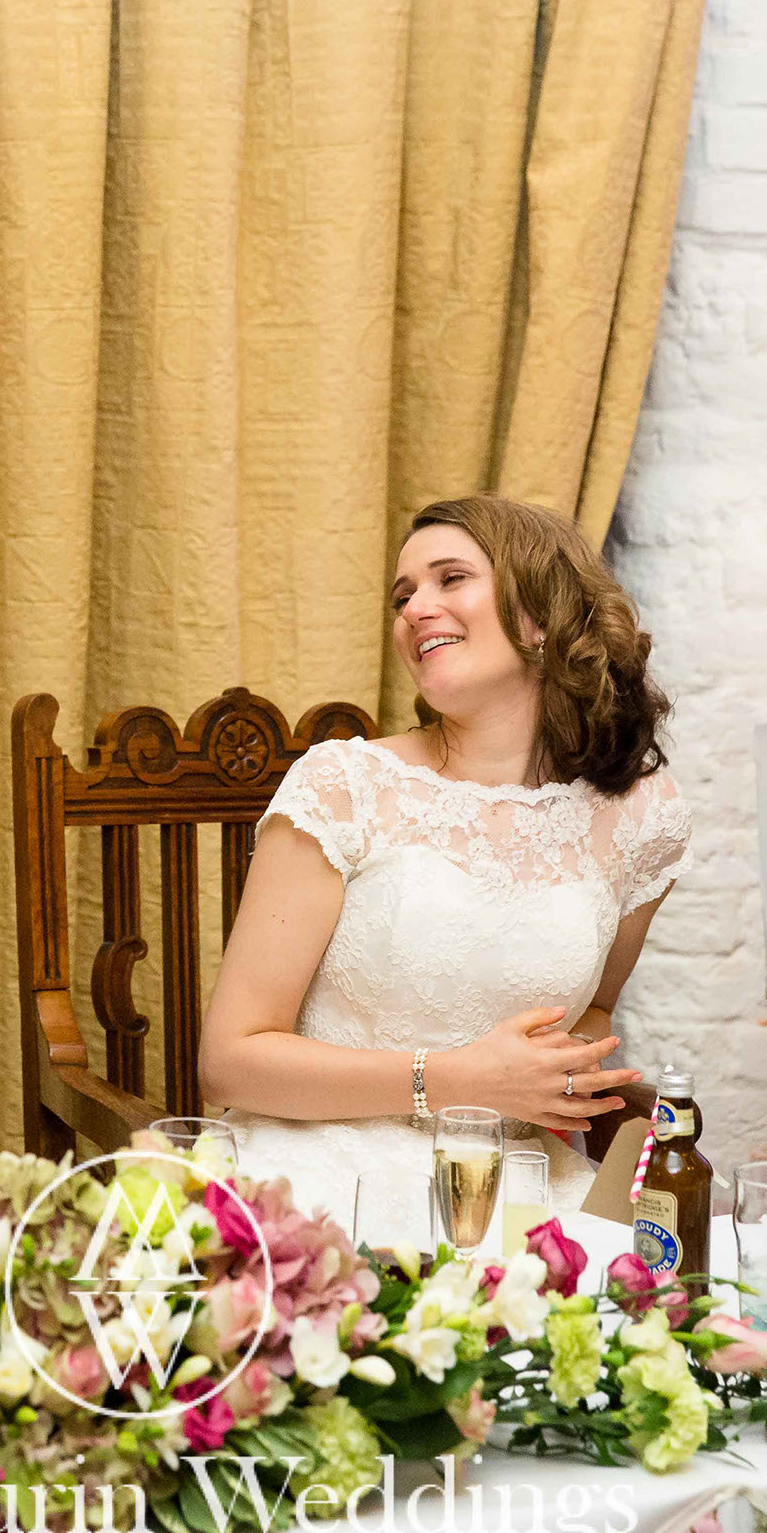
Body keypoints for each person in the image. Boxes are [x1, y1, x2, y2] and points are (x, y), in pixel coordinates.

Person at [199, 494, 690, 1243]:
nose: (414, 609)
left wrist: (564, 1088)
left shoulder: (638, 816)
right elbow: (232, 1060)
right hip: (318, 1180)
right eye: (404, 595)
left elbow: (590, 1014)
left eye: (449, 578)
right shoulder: (345, 786)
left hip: (514, 1194)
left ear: (541, 614)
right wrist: (456, 1080)